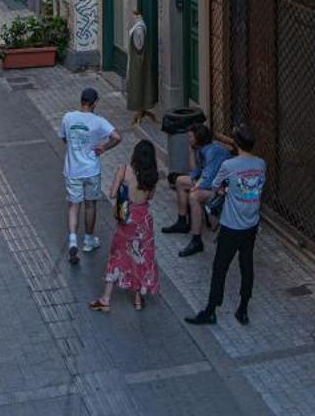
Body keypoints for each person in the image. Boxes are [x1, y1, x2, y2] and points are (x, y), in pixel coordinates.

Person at [185, 125, 265, 327]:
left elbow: (215, 186)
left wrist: (225, 190)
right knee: (246, 267)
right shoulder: (261, 164)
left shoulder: (230, 165)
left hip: (231, 226)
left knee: (220, 268)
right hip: (251, 224)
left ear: (236, 143)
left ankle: (211, 310)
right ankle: (243, 309)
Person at [90, 141, 161, 312]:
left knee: (117, 255)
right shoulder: (153, 176)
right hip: (143, 220)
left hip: (126, 219)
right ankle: (138, 298)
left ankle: (105, 298)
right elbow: (150, 197)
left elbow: (112, 193)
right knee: (140, 256)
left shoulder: (124, 170)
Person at [59, 87, 121, 266]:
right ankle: (88, 240)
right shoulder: (99, 121)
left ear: (81, 101)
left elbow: (64, 139)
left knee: (73, 205)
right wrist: (104, 147)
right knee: (90, 205)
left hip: (72, 170)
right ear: (94, 103)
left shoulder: (68, 117)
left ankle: (72, 240)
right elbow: (117, 136)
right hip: (91, 170)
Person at [163, 122, 229, 255]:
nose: (188, 139)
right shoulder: (200, 149)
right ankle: (182, 222)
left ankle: (196, 240)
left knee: (194, 196)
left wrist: (195, 188)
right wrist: (191, 151)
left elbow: (208, 180)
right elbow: (195, 172)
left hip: (221, 190)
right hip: (211, 184)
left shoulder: (212, 152)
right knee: (180, 181)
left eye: (190, 137)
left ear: (198, 138)